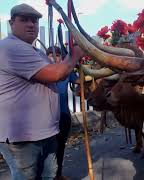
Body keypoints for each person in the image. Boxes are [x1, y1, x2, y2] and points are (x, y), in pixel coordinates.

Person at [0, 3, 85, 180]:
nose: (31, 25)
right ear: (11, 23)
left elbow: (61, 74)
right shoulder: (10, 48)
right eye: (24, 20)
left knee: (49, 176)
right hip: (23, 138)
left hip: (45, 133)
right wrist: (75, 55)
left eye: (35, 21)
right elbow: (55, 74)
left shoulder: (36, 52)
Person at [46, 46, 78, 180]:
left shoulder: (66, 72)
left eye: (58, 55)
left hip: (64, 116)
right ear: (46, 57)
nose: (54, 58)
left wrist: (79, 69)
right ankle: (49, 176)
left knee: (60, 148)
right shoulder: (43, 71)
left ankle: (58, 175)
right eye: (51, 55)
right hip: (47, 118)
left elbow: (78, 82)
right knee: (48, 151)